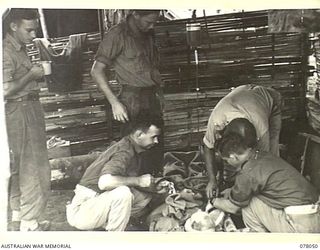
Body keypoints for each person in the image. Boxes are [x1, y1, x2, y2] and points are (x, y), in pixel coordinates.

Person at [91, 9, 164, 175]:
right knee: (134, 150)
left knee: (155, 144)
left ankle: (155, 187)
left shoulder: (147, 33)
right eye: (148, 22)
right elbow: (96, 71)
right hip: (131, 100)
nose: (152, 26)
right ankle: (134, 190)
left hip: (151, 97)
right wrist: (114, 103)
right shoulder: (116, 35)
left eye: (154, 22)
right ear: (136, 14)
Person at [66, 113, 165, 231]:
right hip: (81, 211)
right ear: (139, 134)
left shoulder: (133, 148)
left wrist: (154, 187)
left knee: (144, 197)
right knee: (123, 193)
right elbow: (105, 182)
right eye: (153, 137)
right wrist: (139, 180)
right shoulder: (124, 152)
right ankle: (114, 239)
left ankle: (105, 227)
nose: (156, 141)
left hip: (95, 204)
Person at [211, 129, 320, 233]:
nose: (227, 163)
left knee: (248, 205)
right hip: (314, 215)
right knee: (252, 197)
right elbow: (257, 183)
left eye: (226, 160)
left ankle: (262, 242)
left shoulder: (247, 173)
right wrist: (230, 192)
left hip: (302, 228)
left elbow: (234, 208)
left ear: (233, 157)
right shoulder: (262, 155)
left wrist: (213, 201)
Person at [3, 8, 51, 231]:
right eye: (29, 30)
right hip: (21, 109)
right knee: (32, 164)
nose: (33, 35)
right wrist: (32, 75)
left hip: (26, 107)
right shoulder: (6, 51)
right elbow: (4, 89)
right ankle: (30, 224)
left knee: (21, 164)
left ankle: (19, 216)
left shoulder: (18, 48)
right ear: (13, 26)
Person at [203, 84, 282, 198]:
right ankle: (230, 181)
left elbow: (262, 161)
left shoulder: (261, 128)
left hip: (270, 100)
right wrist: (212, 180)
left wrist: (247, 190)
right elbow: (208, 147)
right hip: (245, 97)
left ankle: (273, 190)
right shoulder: (217, 120)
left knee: (271, 157)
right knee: (234, 161)